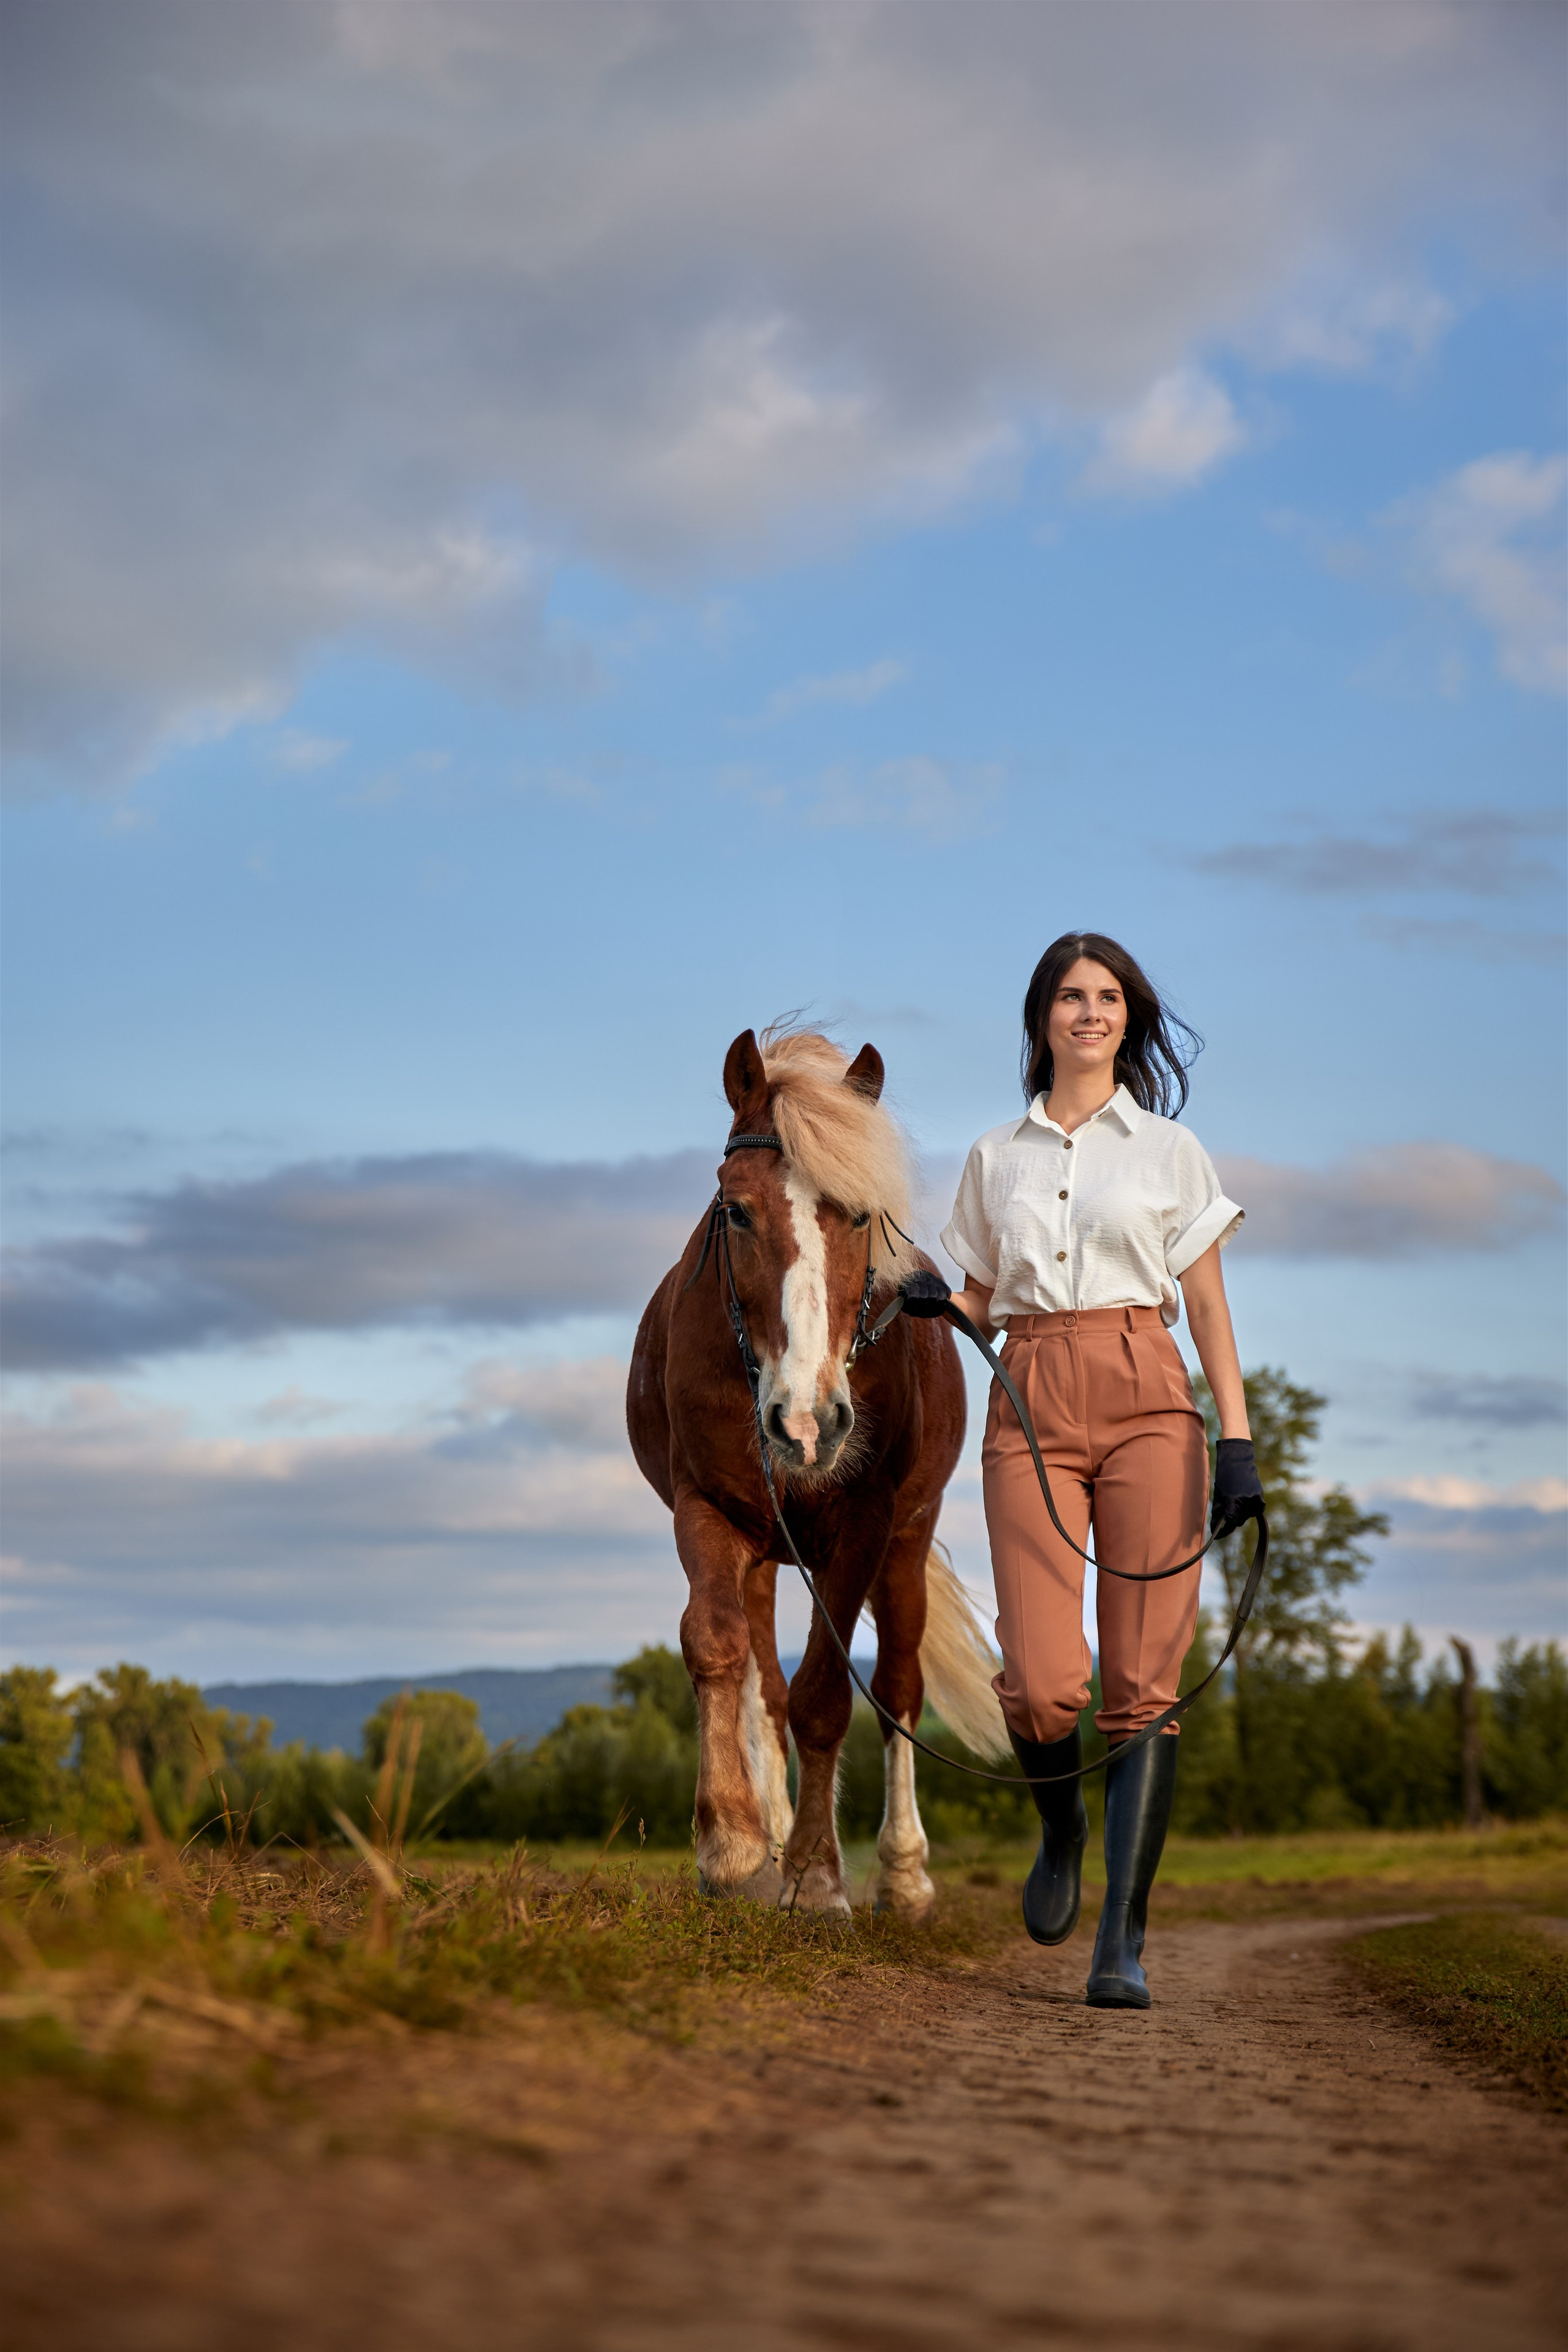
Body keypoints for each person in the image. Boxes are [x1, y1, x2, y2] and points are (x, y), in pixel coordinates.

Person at [940, 931, 1262, 2009]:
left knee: (1141, 1691)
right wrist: (930, 1306)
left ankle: (1120, 1937)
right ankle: (1061, 1826)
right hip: (1029, 1387)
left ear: (1130, 1018)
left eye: (1108, 996)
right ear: (1043, 1017)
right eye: (1071, 996)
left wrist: (1239, 1439)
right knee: (1040, 1684)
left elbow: (1207, 1303)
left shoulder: (1171, 1149)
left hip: (1149, 1395)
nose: (1090, 1012)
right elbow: (978, 1300)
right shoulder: (997, 1156)